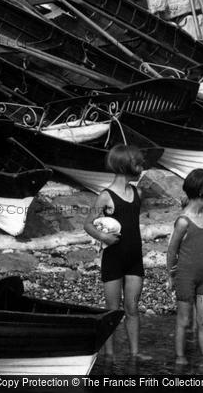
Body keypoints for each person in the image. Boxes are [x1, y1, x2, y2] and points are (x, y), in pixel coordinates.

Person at [84, 145, 151, 360]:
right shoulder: (105, 196)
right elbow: (88, 224)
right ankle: (110, 355)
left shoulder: (137, 192)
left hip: (134, 259)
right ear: (125, 166)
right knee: (112, 311)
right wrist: (104, 237)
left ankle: (135, 353)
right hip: (113, 258)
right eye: (138, 164)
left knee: (132, 307)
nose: (141, 168)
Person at [167, 169, 203, 365]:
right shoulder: (182, 221)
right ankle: (180, 357)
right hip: (186, 276)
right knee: (184, 320)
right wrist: (170, 276)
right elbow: (172, 251)